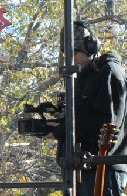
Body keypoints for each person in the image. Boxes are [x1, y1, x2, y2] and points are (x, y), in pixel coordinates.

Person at [48, 20, 127, 195]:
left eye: (74, 52)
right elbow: (83, 115)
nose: (71, 58)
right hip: (80, 167)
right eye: (66, 53)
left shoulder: (110, 73)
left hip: (104, 168)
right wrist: (60, 121)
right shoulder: (81, 76)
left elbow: (106, 123)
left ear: (90, 48)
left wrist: (61, 131)